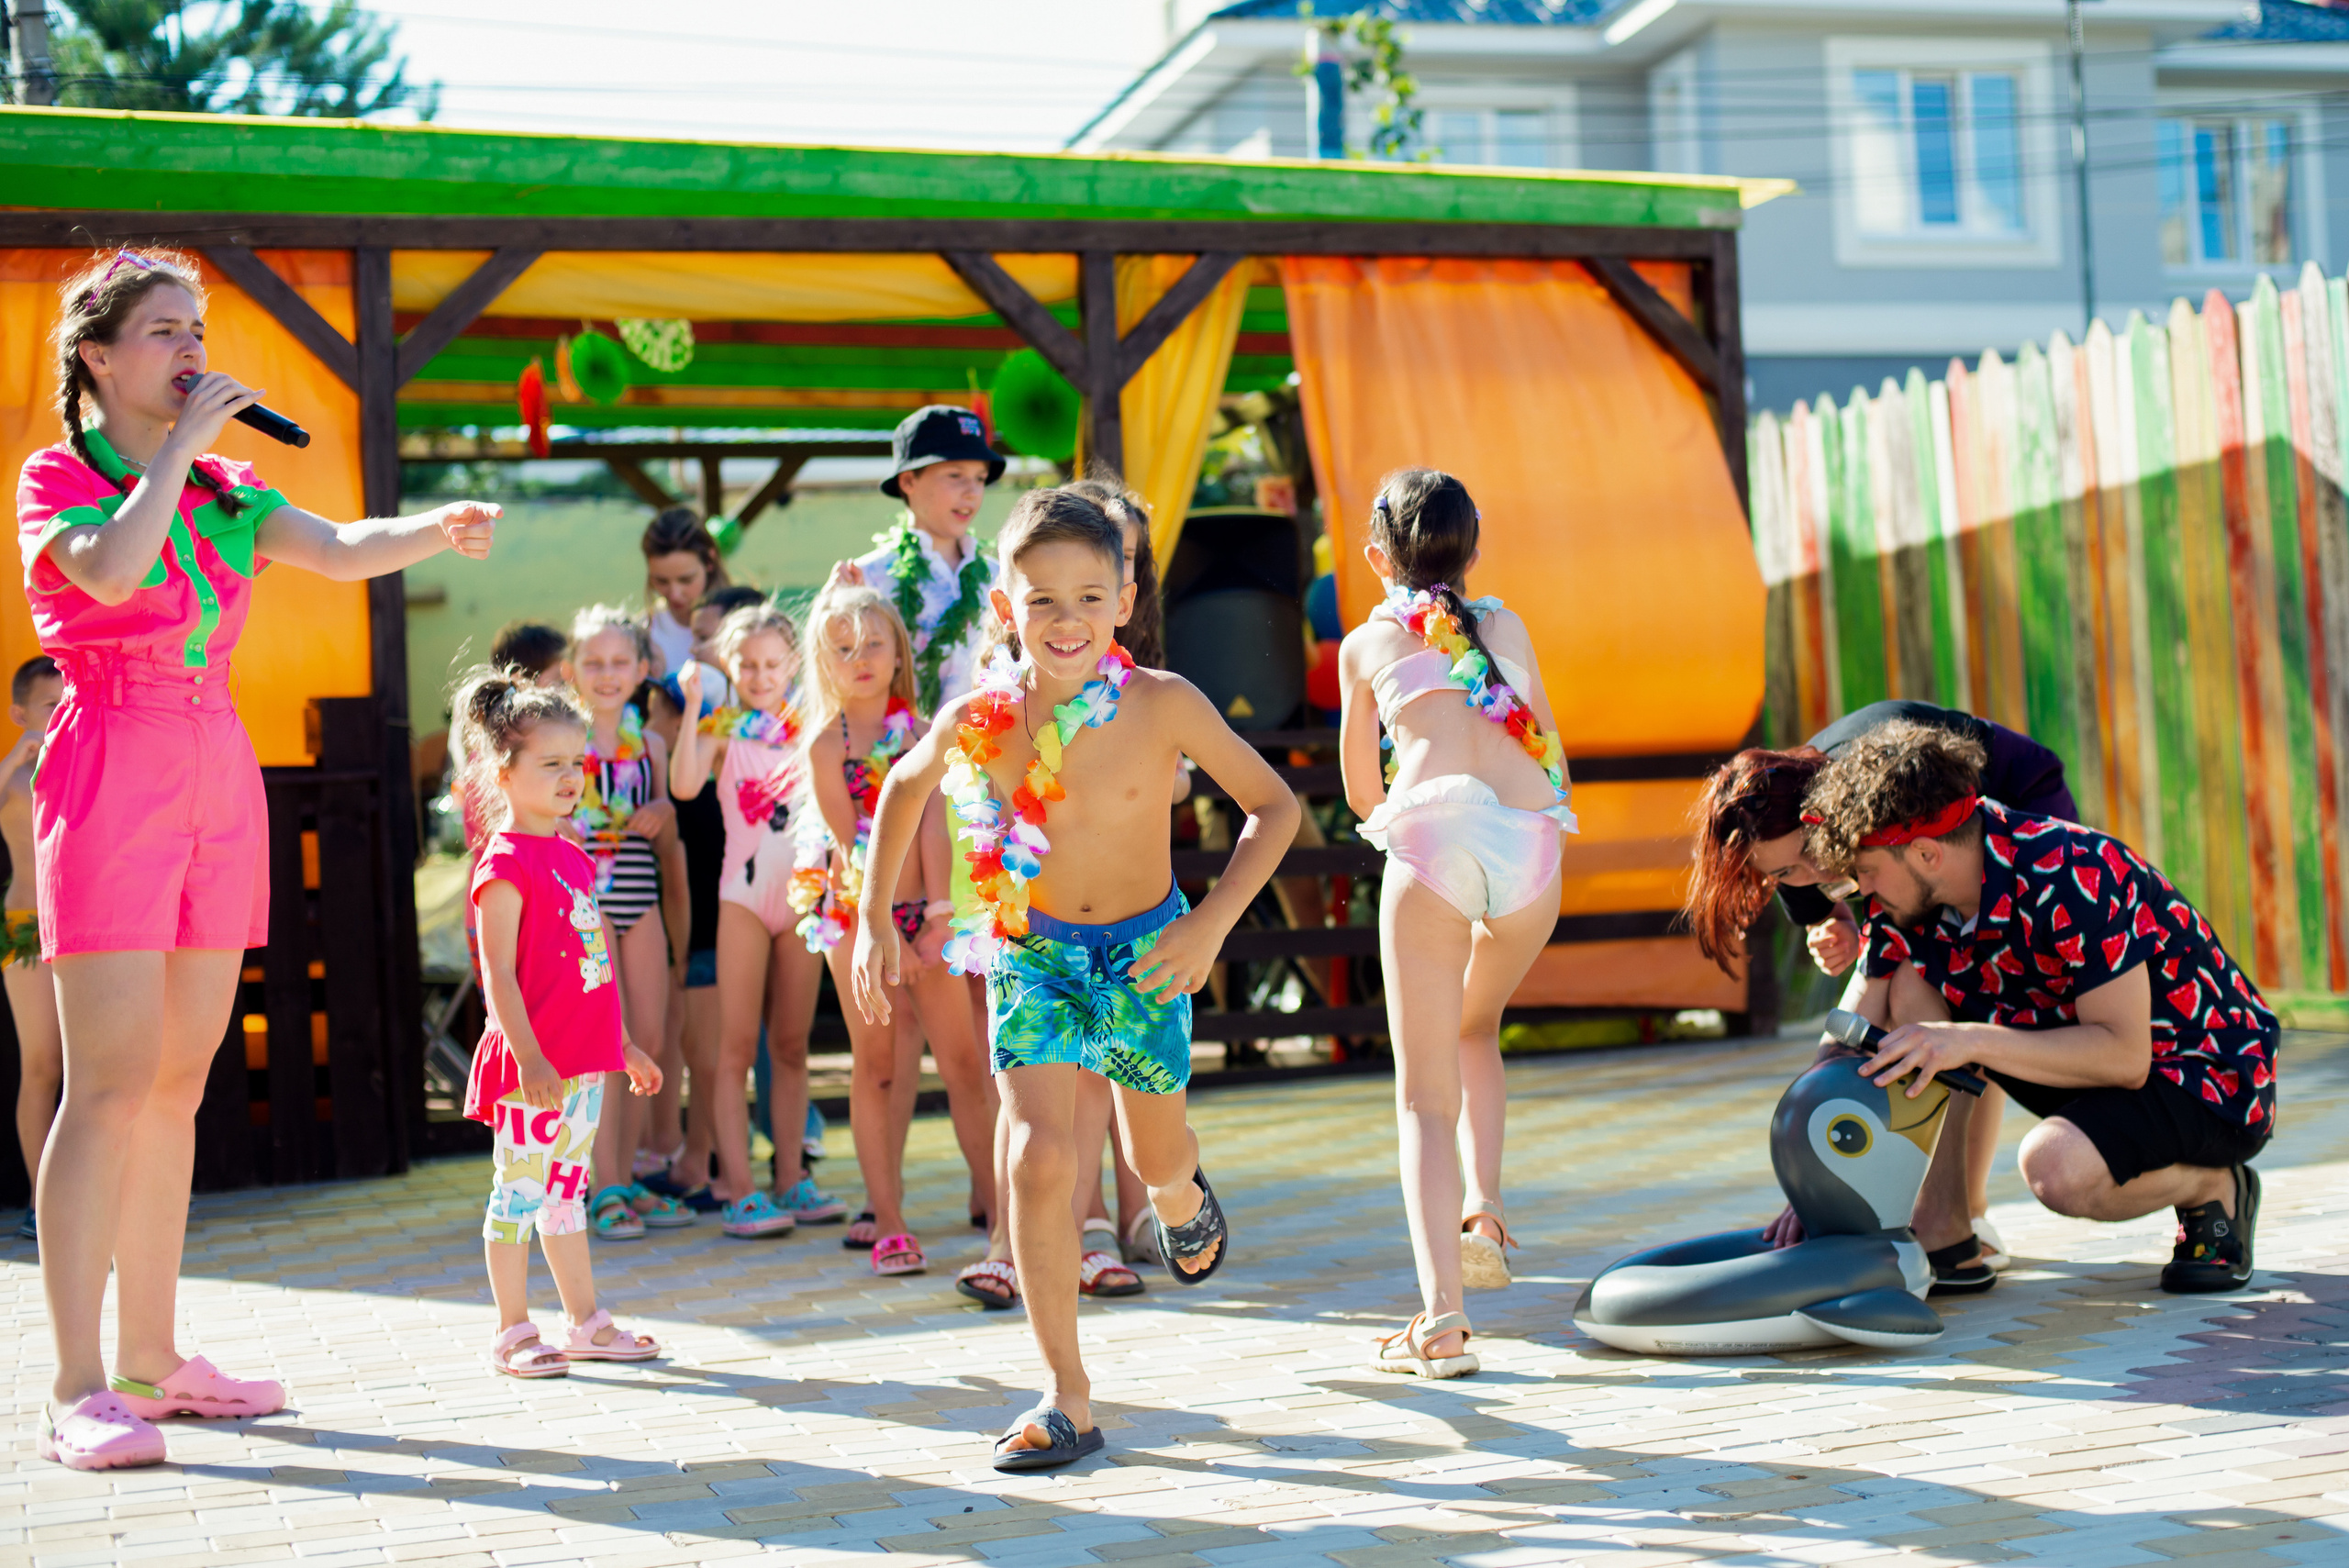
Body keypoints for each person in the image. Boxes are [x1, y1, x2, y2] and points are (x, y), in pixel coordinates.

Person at [19, 248, 497, 1470]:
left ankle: (153, 1358)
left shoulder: (229, 484)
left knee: (177, 1084)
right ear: (97, 356)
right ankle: (76, 1384)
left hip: (216, 764)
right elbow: (113, 571)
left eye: (198, 329)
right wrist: (177, 452)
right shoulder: (58, 476)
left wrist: (435, 526)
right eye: (164, 330)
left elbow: (335, 545)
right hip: (113, 757)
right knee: (107, 1085)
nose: (192, 349)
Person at [852, 487, 1299, 1471]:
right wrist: (873, 915)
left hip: (1148, 955)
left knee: (1152, 1153)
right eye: (1042, 599)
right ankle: (1066, 1394)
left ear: (1125, 600)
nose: (1066, 619)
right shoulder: (982, 716)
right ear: (1004, 607)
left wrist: (1210, 924)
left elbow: (1275, 808)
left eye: (1090, 597)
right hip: (1034, 952)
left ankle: (1178, 1191)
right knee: (1040, 1158)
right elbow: (903, 784)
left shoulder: (1164, 702)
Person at [1802, 719, 2277, 1296]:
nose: (1863, 892)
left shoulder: (2075, 870)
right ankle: (1944, 1228)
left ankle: (2214, 1188)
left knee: (2055, 1169)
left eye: (1867, 873)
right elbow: (1850, 1029)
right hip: (2086, 1063)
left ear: (1926, 853)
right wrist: (1807, 1186)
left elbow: (2126, 1058)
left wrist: (1965, 1040)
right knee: (1908, 986)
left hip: (2204, 1080)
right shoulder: (1908, 898)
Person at [1687, 701, 2077, 1286]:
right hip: (1914, 847)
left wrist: (1819, 1175)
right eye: (1784, 876)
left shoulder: (1869, 812)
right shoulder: (1793, 852)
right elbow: (1855, 995)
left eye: (1808, 858)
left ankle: (1957, 1216)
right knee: (1917, 993)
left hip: (2015, 796)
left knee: (1955, 992)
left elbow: (1869, 980)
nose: (1808, 877)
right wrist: (1809, 1179)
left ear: (1823, 820)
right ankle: (1955, 1220)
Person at [1336, 470, 1576, 1380]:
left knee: (1424, 1097)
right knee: (1478, 1024)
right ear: (1475, 550)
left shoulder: (1367, 643)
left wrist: (1411, 830)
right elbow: (1551, 753)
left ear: (1376, 558)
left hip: (1435, 837)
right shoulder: (1507, 627)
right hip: (1530, 844)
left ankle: (1442, 1321)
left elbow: (1362, 794)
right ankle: (1487, 1206)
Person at [451, 669, 664, 1379]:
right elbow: (499, 975)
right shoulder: (504, 864)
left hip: (584, 1065)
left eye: (577, 762)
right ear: (503, 774)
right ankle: (512, 1328)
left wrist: (622, 1044)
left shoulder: (573, 856)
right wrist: (530, 1058)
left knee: (567, 1196)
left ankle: (585, 1321)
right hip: (533, 1070)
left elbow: (592, 963)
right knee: (517, 1194)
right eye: (551, 764)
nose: (571, 777)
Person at [795, 584, 996, 1277]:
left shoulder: (920, 734)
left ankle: (1003, 1213)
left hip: (923, 918)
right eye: (843, 648)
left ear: (899, 652)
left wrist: (936, 918)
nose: (860, 658)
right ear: (822, 660)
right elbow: (849, 844)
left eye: (874, 643)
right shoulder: (827, 744)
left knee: (965, 1062)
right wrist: (884, 934)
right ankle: (888, 1220)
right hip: (858, 917)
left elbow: (935, 828)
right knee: (876, 1066)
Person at [669, 601, 844, 1238]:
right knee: (735, 1048)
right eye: (748, 665)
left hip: (802, 899)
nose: (762, 675)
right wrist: (693, 705)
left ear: (793, 663)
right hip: (742, 900)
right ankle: (741, 1193)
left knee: (792, 1045)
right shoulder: (721, 728)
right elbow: (683, 786)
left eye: (773, 664)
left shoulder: (813, 726)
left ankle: (792, 1177)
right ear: (728, 664)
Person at [562, 606, 690, 1240]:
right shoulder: (562, 739)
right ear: (570, 670)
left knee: (650, 1038)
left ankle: (630, 1174)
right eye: (593, 662)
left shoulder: (652, 745)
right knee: (605, 1045)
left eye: (620, 662)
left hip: (640, 895)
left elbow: (665, 818)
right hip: (585, 902)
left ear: (642, 669)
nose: (607, 674)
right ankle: (605, 1182)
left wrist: (661, 810)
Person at [640, 582, 763, 1207]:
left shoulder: (756, 731)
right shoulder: (684, 721)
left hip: (726, 916)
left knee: (717, 1054)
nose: (699, 646)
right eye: (696, 635)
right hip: (702, 919)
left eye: (711, 634)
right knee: (702, 1049)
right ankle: (698, 1159)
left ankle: (716, 1168)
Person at [831, 405, 1002, 711]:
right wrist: (832, 612)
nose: (972, 492)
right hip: (900, 738)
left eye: (980, 478)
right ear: (908, 481)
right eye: (955, 475)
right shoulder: (867, 578)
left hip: (990, 738)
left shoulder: (999, 576)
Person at [3, 655, 62, 1242]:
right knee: (43, 1065)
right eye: (51, 704)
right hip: (27, 927)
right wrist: (14, 759)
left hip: (88, 926)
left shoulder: (85, 758)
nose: (63, 711)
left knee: (104, 1068)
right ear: (21, 714)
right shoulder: (14, 777)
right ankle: (39, 1202)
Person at [640, 507, 726, 679]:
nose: (674, 594)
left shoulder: (747, 622)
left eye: (686, 580)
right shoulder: (644, 630)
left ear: (710, 562)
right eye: (661, 581)